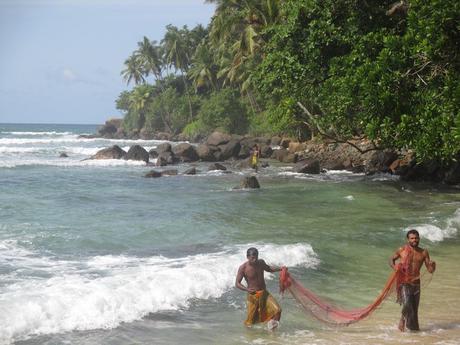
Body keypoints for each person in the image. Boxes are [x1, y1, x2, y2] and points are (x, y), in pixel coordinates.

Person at [389, 229, 436, 332]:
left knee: (414, 312)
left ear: (419, 239)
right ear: (408, 239)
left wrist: (433, 265)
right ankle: (402, 319)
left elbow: (430, 270)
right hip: (404, 282)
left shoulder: (424, 252)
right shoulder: (402, 250)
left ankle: (413, 334)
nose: (414, 240)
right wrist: (395, 267)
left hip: (416, 284)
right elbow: (391, 259)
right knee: (407, 303)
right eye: (412, 238)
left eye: (416, 238)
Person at [235, 247, 283, 330]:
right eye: (253, 257)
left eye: (256, 257)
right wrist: (247, 289)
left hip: (264, 293)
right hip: (253, 296)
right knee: (250, 322)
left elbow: (268, 268)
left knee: (278, 310)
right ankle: (249, 339)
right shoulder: (243, 268)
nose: (255, 259)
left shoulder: (261, 262)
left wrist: (281, 268)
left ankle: (272, 332)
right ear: (247, 257)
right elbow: (237, 283)